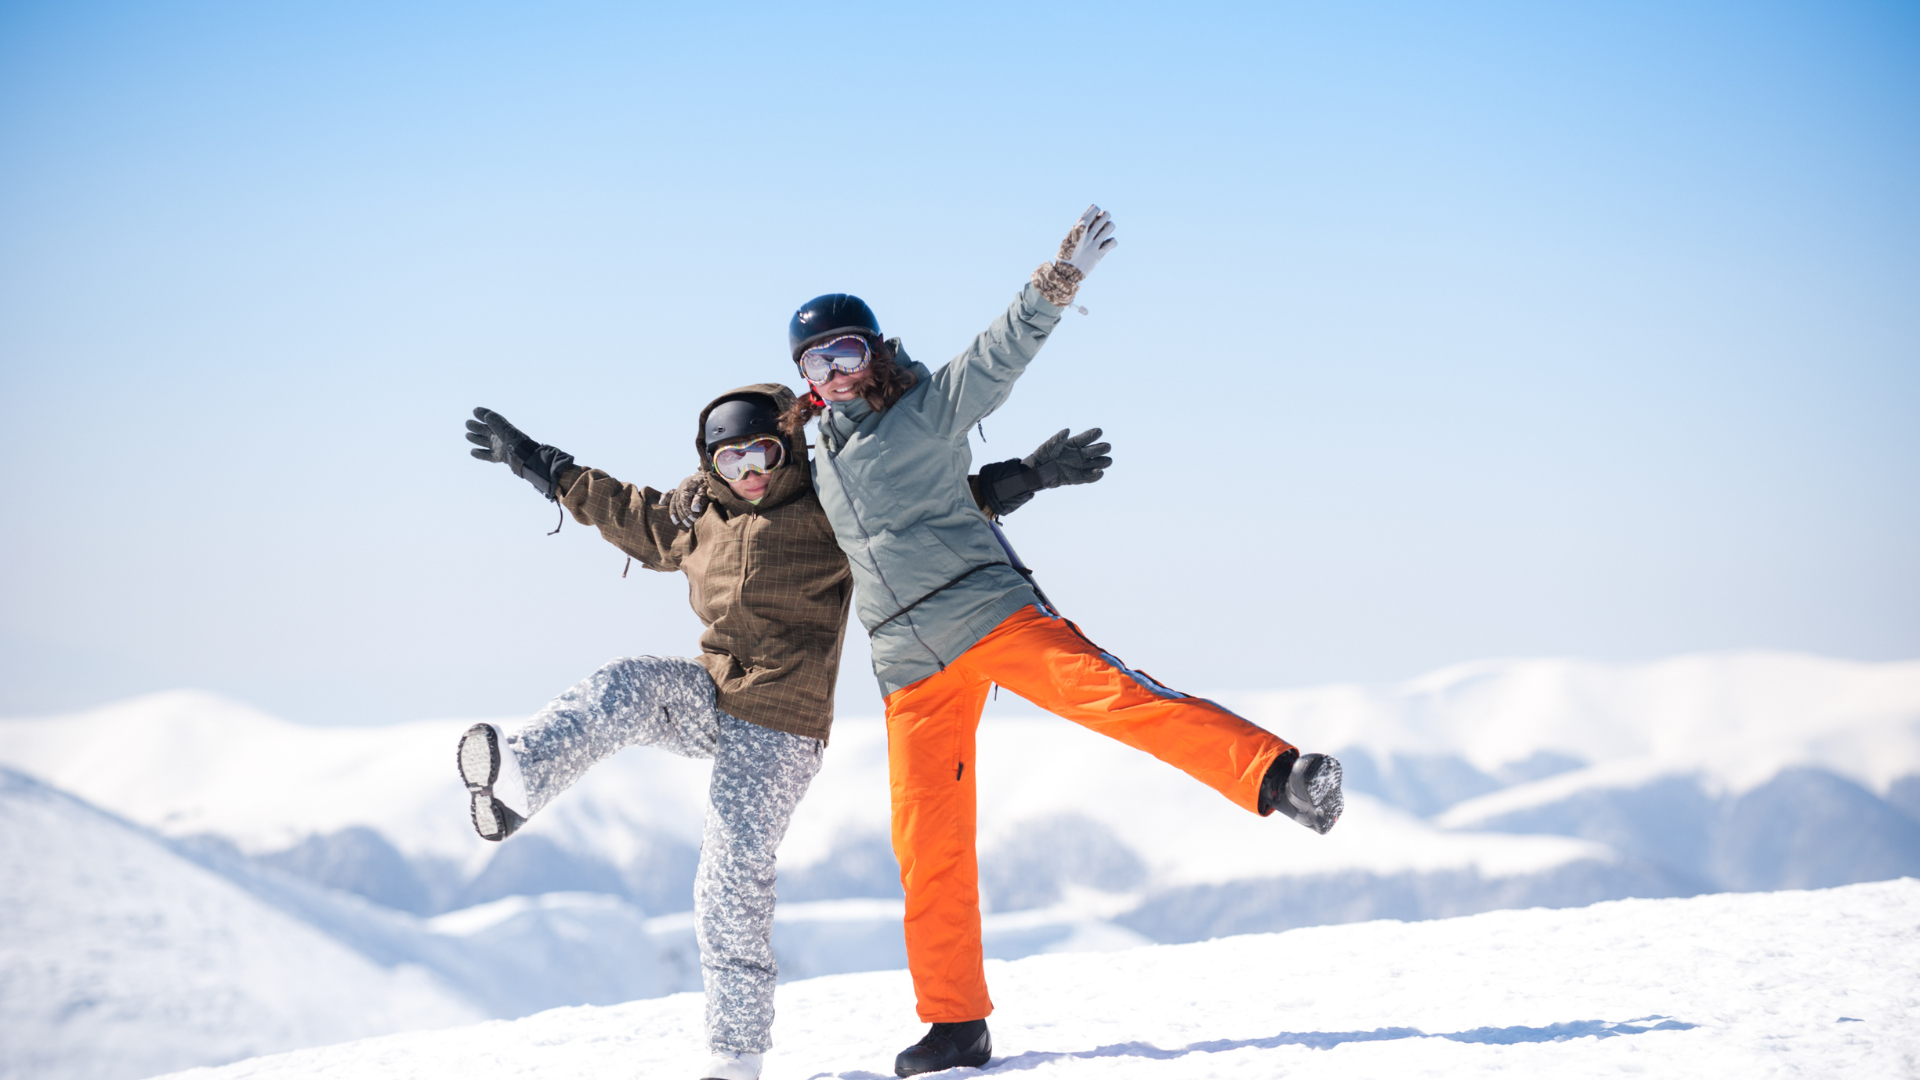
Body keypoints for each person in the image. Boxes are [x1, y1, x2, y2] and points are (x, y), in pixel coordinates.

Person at [780, 206, 1346, 1077]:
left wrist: (1058, 279)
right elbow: (733, 478)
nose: (838, 372)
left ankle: (1280, 774)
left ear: (877, 352)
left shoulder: (925, 410)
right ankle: (954, 1024)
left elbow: (997, 353)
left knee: (1118, 699)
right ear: (806, 379)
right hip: (905, 665)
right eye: (820, 362)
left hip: (989, 616)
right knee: (927, 845)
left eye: (850, 352)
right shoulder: (812, 458)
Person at [456, 384, 1111, 1080]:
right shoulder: (698, 513)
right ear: (710, 461)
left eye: (762, 453)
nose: (749, 474)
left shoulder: (830, 507)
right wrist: (531, 459)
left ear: (787, 447)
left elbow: (924, 508)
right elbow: (618, 508)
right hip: (713, 693)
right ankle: (520, 781)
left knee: (727, 878)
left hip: (781, 723)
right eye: (731, 459)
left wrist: (1032, 476)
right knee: (627, 684)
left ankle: (736, 1056)